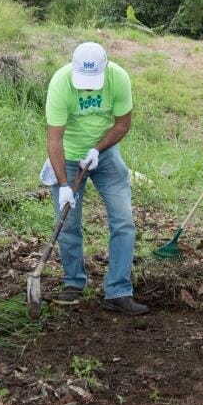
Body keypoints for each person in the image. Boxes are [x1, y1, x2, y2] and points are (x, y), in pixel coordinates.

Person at [43, 41, 147, 315]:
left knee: (123, 220)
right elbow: (54, 140)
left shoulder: (118, 78)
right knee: (68, 224)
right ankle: (74, 283)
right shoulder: (61, 83)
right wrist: (64, 184)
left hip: (105, 154)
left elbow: (123, 123)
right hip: (67, 156)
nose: (88, 87)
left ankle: (118, 291)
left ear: (106, 68)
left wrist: (98, 149)